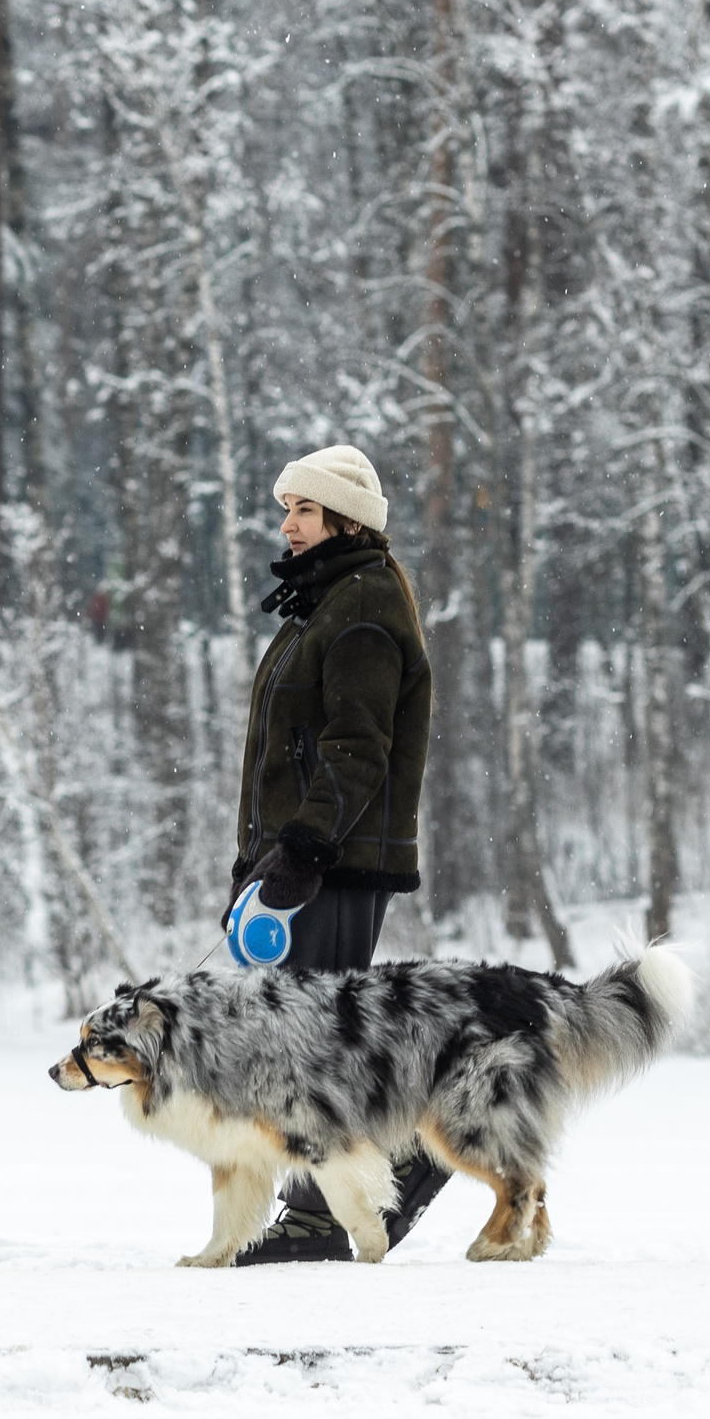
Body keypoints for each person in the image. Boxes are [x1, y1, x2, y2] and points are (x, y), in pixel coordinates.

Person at [224, 443, 451, 1265]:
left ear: (348, 520)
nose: (288, 524)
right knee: (307, 1036)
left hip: (336, 859)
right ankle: (397, 1156)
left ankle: (328, 1210)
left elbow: (358, 746)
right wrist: (258, 863)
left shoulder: (362, 605)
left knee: (312, 1040)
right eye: (286, 508)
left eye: (305, 510)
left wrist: (305, 847)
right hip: (306, 855)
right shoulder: (325, 601)